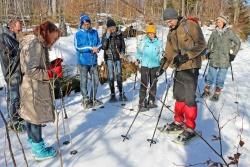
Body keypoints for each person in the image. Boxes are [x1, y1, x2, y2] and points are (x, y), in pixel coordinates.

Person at [161, 8, 206, 141]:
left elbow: (202, 44)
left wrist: (187, 56)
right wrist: (162, 67)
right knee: (179, 96)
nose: (168, 24)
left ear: (175, 17)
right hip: (179, 68)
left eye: (170, 21)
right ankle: (178, 122)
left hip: (191, 67)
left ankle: (190, 127)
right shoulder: (171, 32)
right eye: (166, 22)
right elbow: (169, 52)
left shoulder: (190, 25)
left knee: (189, 98)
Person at [19, 21, 59, 160]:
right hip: (33, 88)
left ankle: (34, 145)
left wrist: (52, 65)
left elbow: (34, 64)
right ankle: (39, 151)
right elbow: (32, 70)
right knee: (35, 118)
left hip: (29, 87)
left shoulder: (34, 42)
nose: (53, 42)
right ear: (46, 33)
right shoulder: (35, 44)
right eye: (53, 38)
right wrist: (51, 73)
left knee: (31, 117)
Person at [204, 14, 241, 100]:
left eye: (220, 21)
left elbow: (238, 43)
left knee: (221, 77)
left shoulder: (229, 32)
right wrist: (208, 52)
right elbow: (209, 43)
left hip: (225, 59)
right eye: (217, 21)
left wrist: (233, 54)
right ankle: (206, 90)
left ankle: (217, 93)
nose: (218, 22)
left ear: (224, 22)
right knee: (210, 75)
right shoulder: (214, 32)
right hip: (214, 58)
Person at [0, 19, 25, 132]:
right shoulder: (4, 37)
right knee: (14, 97)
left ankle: (15, 117)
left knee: (15, 96)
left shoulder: (13, 36)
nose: (21, 28)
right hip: (11, 72)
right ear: (12, 26)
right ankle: (13, 122)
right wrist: (20, 52)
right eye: (19, 26)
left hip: (16, 71)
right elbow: (6, 57)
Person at [74, 14, 103, 109]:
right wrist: (91, 48)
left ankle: (93, 99)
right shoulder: (78, 34)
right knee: (84, 81)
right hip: (82, 62)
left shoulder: (94, 32)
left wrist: (97, 48)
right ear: (82, 24)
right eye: (85, 24)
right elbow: (78, 47)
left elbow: (99, 43)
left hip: (93, 61)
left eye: (88, 23)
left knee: (96, 80)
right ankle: (85, 100)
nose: (87, 25)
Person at [136, 23, 162, 112]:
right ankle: (142, 102)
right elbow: (139, 52)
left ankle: (151, 100)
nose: (151, 35)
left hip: (155, 66)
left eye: (152, 33)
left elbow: (161, 52)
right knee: (144, 84)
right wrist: (138, 59)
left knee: (153, 84)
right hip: (145, 66)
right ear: (147, 34)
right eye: (149, 33)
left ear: (155, 33)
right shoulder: (144, 42)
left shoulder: (158, 42)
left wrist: (162, 59)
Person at [102, 18, 128, 102]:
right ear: (108, 28)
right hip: (109, 58)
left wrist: (122, 53)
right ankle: (112, 94)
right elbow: (103, 47)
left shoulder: (119, 34)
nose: (112, 29)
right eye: (110, 27)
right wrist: (107, 37)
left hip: (117, 58)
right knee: (111, 76)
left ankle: (121, 93)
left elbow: (123, 45)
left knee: (119, 74)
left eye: (114, 27)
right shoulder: (105, 35)